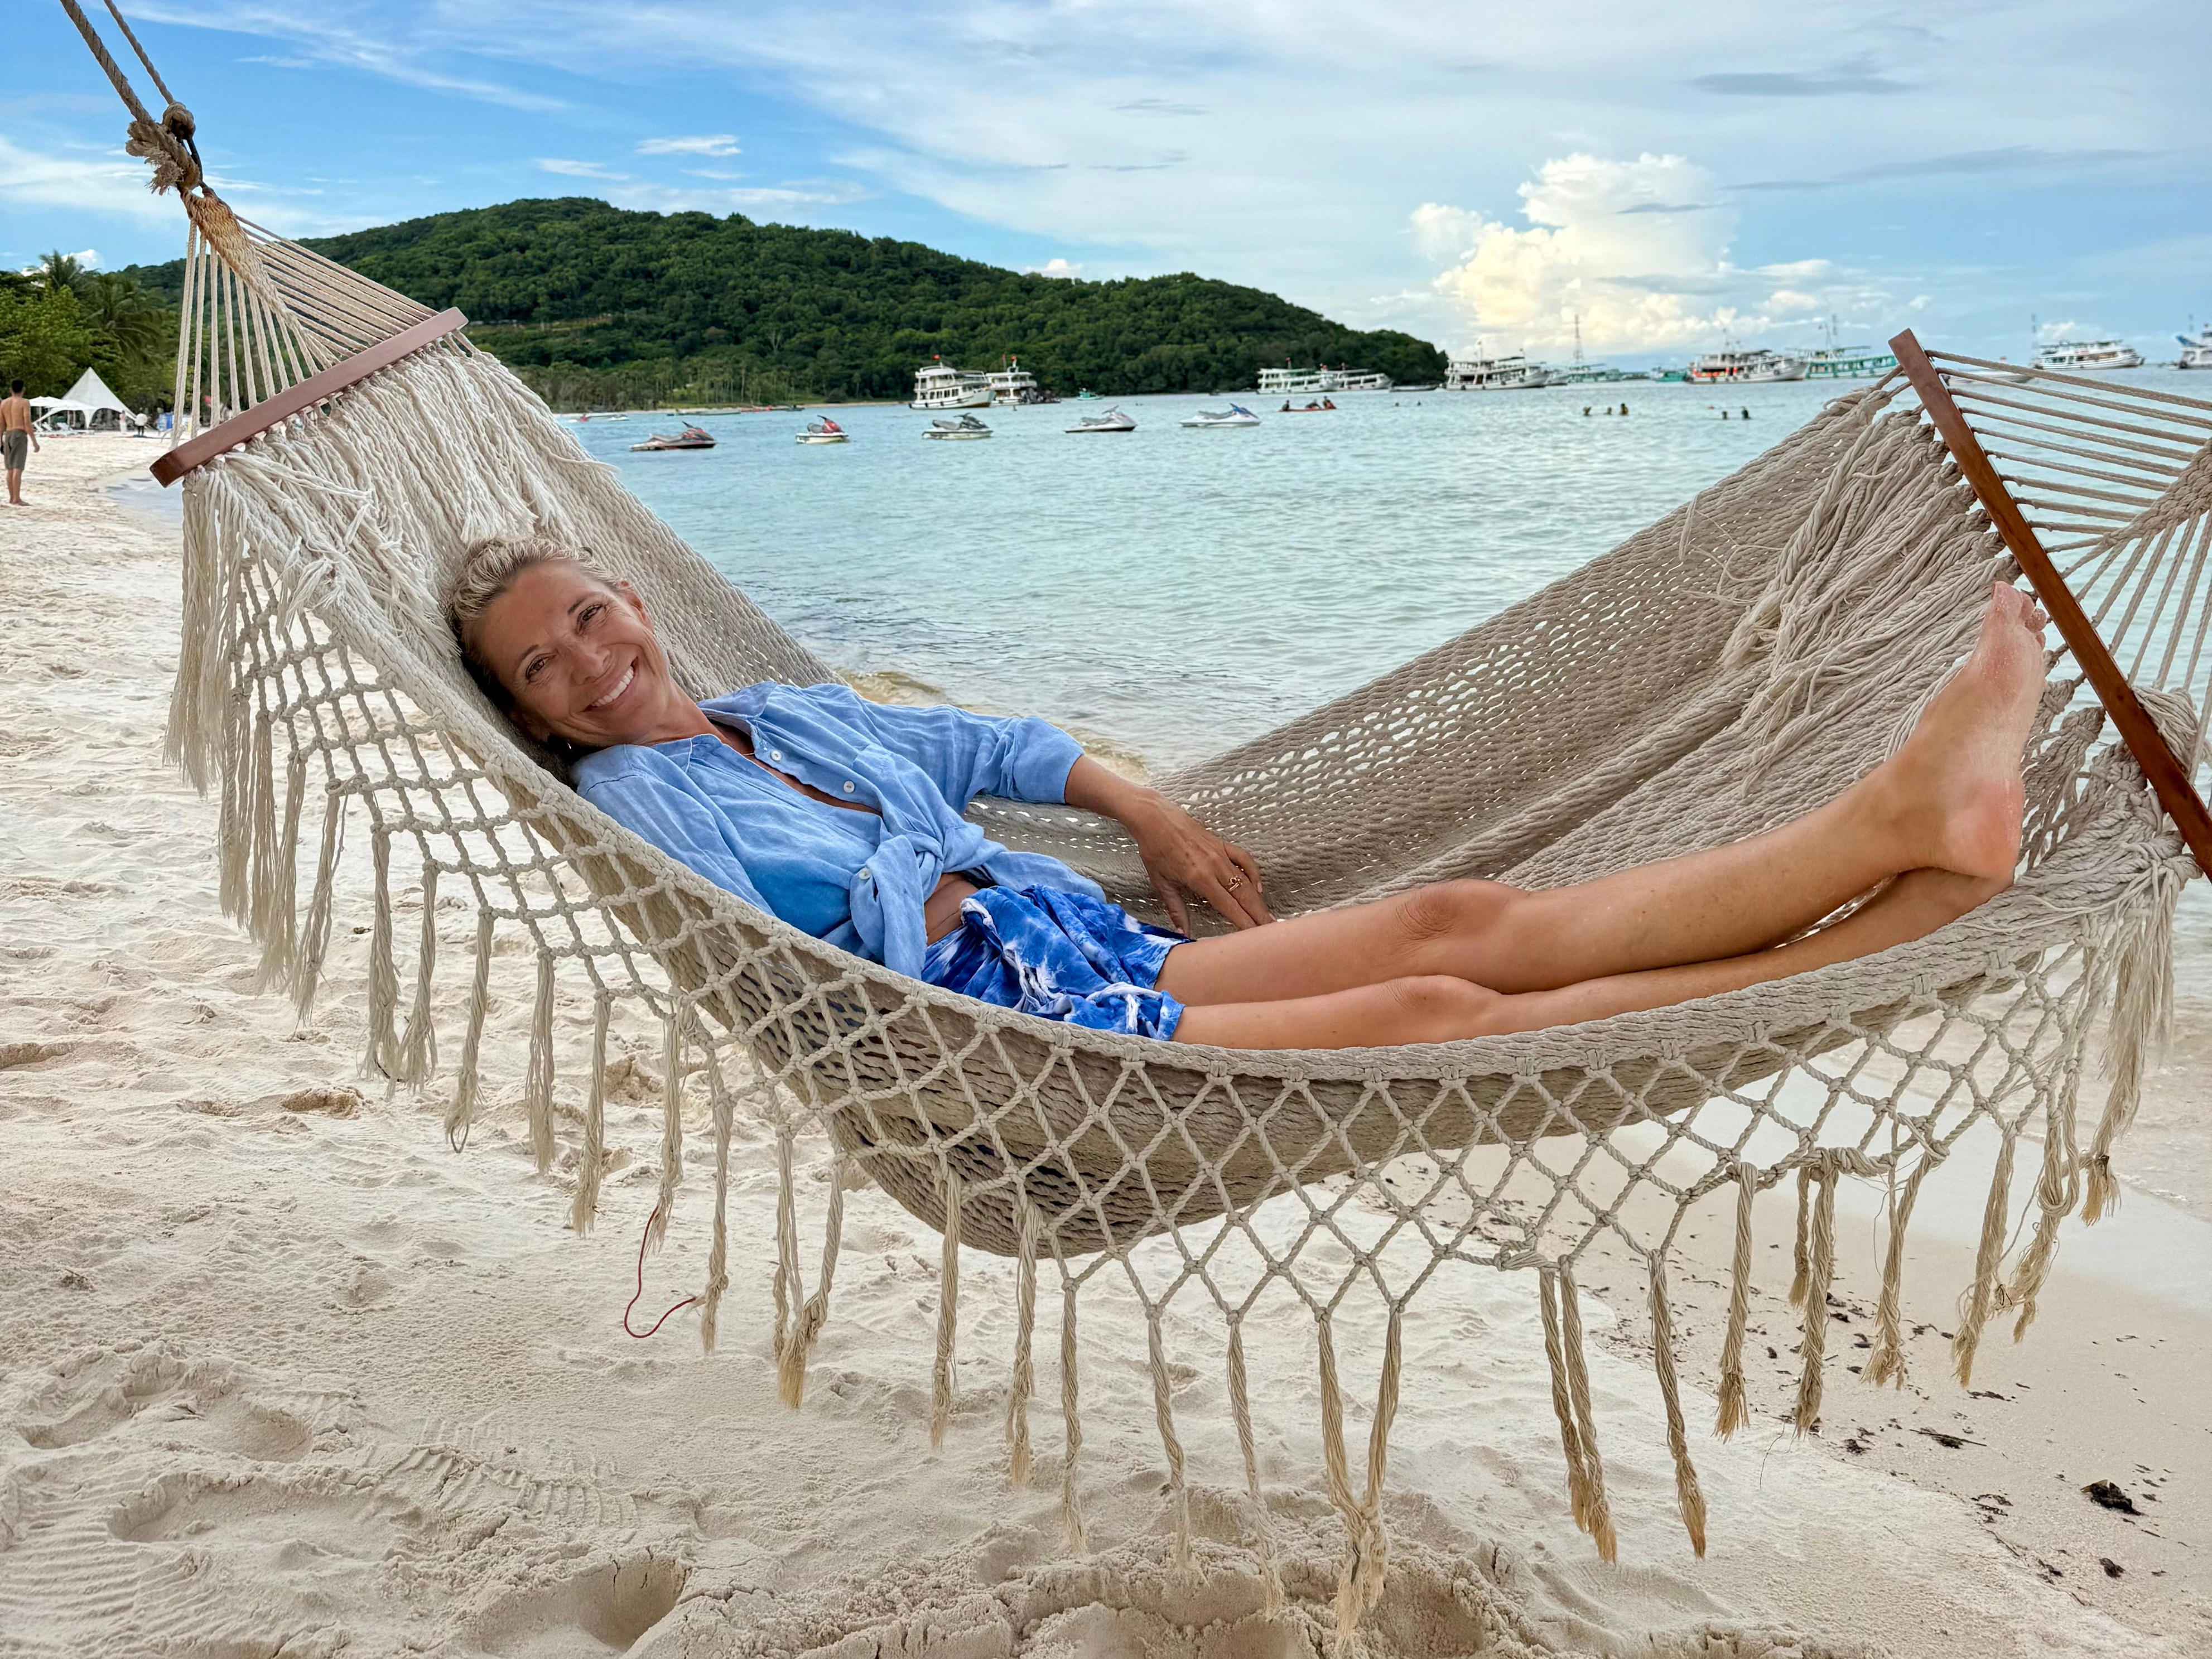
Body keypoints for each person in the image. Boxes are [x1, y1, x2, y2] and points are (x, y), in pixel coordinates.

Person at [446, 537, 2046, 1052]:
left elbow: (987, 745)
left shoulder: (777, 713)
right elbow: (768, 945)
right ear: (530, 715)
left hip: (1068, 937)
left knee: (1453, 914)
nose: (586, 661)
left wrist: (1140, 807)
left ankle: (1896, 827)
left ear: (632, 598)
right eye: (538, 666)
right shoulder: (632, 798)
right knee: (1429, 1009)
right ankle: (1876, 892)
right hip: (985, 1017)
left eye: (587, 613)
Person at [2, 379, 38, 507]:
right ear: (23, 389)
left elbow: (1, 424)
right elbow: (27, 422)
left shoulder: (4, 403)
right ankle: (17, 498)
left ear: (10, 390)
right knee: (18, 467)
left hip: (8, 434)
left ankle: (12, 497)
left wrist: (0, 440)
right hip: (19, 434)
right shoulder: (24, 402)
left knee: (10, 468)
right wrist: (34, 442)